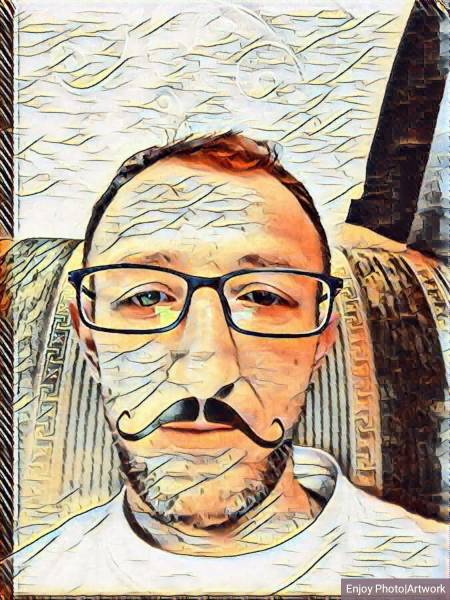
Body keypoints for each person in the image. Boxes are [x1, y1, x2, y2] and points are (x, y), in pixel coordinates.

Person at [11, 132, 447, 596]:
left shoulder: (430, 574)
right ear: (89, 339)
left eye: (263, 296)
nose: (205, 375)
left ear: (321, 341)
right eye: (146, 297)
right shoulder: (28, 581)